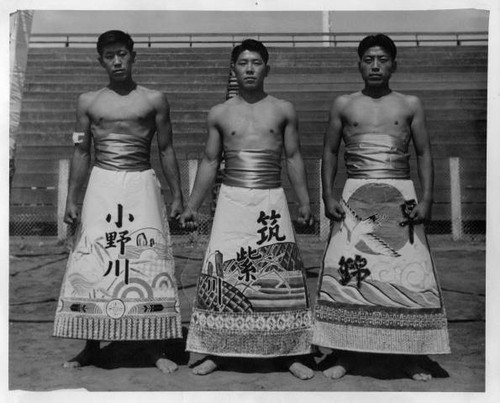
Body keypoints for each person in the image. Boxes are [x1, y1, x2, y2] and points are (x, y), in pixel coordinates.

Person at [313, 33, 450, 381]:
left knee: (407, 272)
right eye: (369, 59)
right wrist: (328, 195)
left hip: (399, 195)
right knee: (347, 272)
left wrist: (427, 198)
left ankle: (410, 354)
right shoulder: (343, 104)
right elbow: (330, 152)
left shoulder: (410, 104)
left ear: (393, 64)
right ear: (359, 63)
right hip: (355, 195)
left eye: (382, 59)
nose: (375, 65)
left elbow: (424, 153)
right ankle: (345, 351)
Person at [179, 39, 315, 380]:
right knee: (224, 273)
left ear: (267, 68)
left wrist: (305, 201)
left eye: (256, 62)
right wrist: (193, 205)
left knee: (280, 270)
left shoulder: (283, 109)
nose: (250, 68)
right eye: (243, 62)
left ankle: (290, 351)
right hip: (232, 201)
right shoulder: (220, 113)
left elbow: (294, 157)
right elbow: (211, 161)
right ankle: (217, 351)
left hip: (271, 198)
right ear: (234, 69)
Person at [53, 30, 184, 374]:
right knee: (96, 261)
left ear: (133, 56)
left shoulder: (154, 99)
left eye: (122, 54)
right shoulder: (88, 102)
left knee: (147, 258)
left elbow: (166, 149)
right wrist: (72, 198)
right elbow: (81, 150)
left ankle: (155, 346)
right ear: (101, 61)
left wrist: (177, 195)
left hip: (140, 182)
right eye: (110, 56)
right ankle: (91, 345)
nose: (117, 61)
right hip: (102, 183)